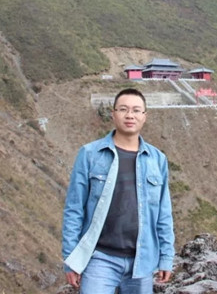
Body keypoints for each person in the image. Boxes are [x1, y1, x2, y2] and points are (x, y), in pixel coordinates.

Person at [62, 88, 175, 293]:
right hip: (100, 258)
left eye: (136, 110)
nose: (130, 115)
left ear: (144, 116)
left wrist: (166, 257)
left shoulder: (157, 159)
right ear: (113, 114)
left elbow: (163, 214)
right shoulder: (89, 154)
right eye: (123, 109)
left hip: (142, 261)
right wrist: (71, 259)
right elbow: (74, 209)